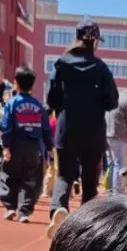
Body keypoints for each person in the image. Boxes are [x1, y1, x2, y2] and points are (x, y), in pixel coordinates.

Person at [47, 20, 118, 231]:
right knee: (89, 180)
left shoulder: (62, 63)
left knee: (64, 175)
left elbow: (52, 99)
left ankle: (58, 209)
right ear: (95, 41)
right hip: (93, 131)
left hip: (67, 128)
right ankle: (87, 224)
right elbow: (112, 101)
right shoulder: (101, 67)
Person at [0, 65, 53, 224]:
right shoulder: (39, 106)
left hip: (15, 145)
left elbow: (6, 126)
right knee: (30, 179)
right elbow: (46, 128)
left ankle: (10, 207)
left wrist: (6, 146)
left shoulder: (11, 103)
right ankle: (25, 212)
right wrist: (50, 148)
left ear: (16, 83)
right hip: (33, 148)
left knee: (8, 175)